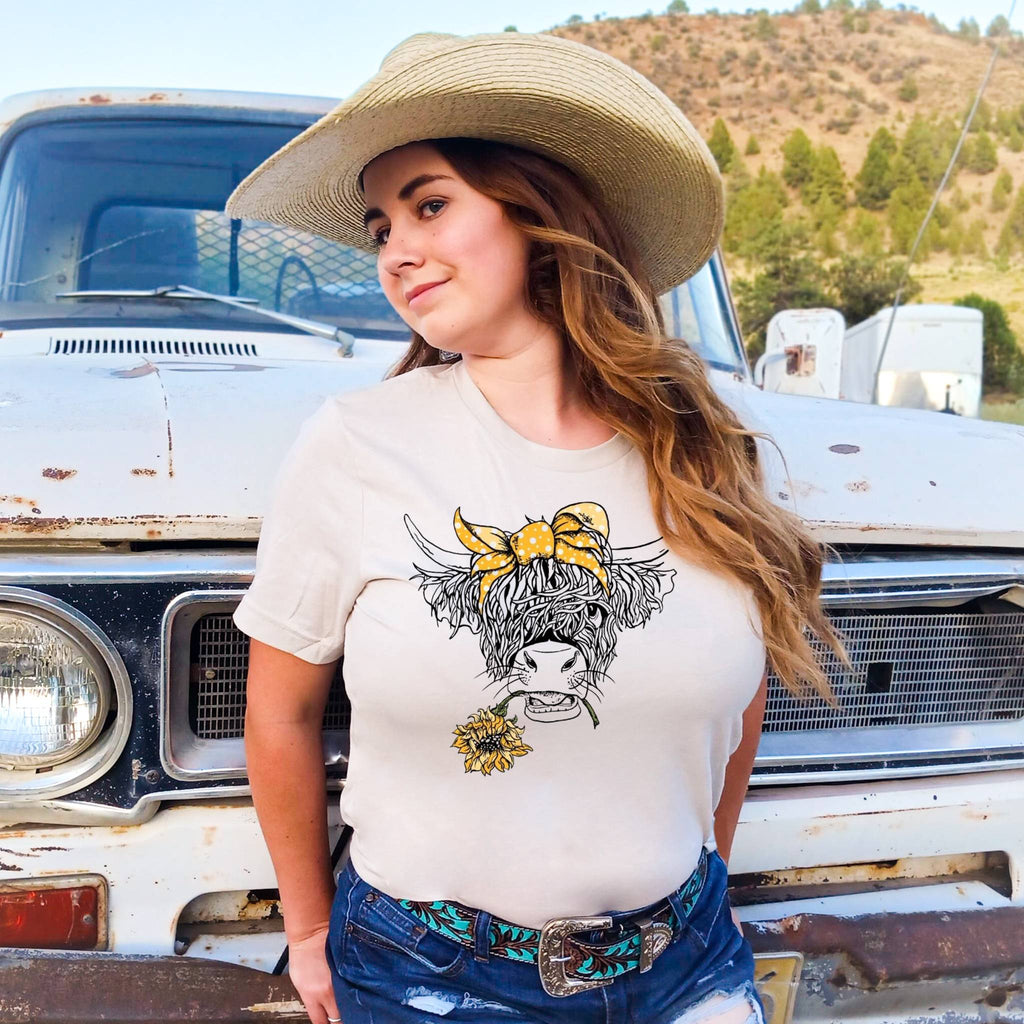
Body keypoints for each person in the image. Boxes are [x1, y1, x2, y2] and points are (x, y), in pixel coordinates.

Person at [227, 30, 839, 1024]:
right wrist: (303, 930)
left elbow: (739, 695)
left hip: (685, 956)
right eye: (382, 226)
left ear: (537, 210)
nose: (396, 251)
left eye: (429, 205)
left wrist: (705, 865)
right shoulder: (354, 445)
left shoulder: (702, 448)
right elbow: (280, 714)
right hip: (435, 975)